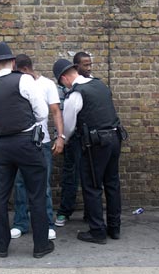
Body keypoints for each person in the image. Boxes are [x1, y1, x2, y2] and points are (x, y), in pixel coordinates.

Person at [0, 41, 54, 258]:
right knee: (37, 193)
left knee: (0, 195)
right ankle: (41, 245)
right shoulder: (24, 79)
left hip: (2, 145)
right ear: (13, 62)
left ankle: (2, 246)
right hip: (26, 142)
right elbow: (42, 112)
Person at [53, 58, 124, 244]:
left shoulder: (75, 94)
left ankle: (97, 231)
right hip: (115, 138)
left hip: (95, 143)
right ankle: (114, 228)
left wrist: (63, 140)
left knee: (92, 187)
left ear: (64, 79)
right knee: (112, 183)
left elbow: (68, 126)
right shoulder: (99, 84)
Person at [9, 54, 64, 240]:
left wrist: (60, 137)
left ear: (23, 70)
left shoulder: (47, 84)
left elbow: (56, 111)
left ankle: (47, 224)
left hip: (42, 142)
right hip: (21, 141)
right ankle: (20, 223)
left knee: (44, 185)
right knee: (20, 183)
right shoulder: (15, 83)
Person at [55, 52, 92, 227]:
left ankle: (90, 212)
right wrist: (63, 137)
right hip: (72, 137)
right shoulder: (64, 87)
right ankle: (65, 211)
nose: (89, 68)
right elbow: (61, 114)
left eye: (90, 64)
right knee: (70, 175)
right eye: (85, 65)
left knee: (90, 176)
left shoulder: (94, 83)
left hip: (90, 139)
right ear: (76, 67)